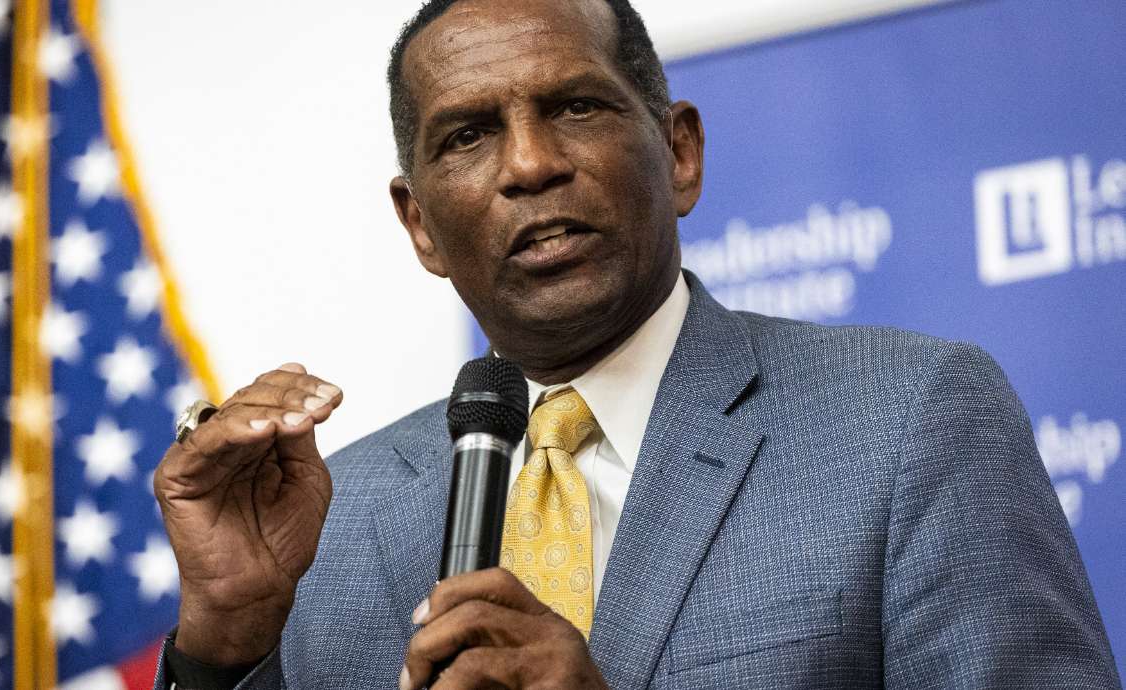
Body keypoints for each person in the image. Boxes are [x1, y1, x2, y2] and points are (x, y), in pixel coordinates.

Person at [152, 0, 1121, 688]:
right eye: (469, 136)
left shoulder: (910, 421)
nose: (531, 163)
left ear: (680, 152)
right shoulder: (333, 523)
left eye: (575, 105)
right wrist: (224, 648)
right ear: (420, 227)